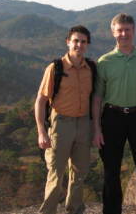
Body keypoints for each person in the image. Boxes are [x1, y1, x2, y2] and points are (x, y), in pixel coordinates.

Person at [92, 13, 136, 214]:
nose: (124, 34)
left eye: (127, 30)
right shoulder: (104, 62)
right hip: (112, 118)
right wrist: (96, 128)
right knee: (111, 171)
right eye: (120, 30)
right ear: (113, 32)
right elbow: (97, 98)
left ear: (134, 31)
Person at [34, 25, 94, 214]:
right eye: (75, 41)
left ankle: (75, 209)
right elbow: (41, 101)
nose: (79, 45)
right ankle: (48, 211)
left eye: (83, 41)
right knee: (56, 172)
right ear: (68, 42)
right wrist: (41, 131)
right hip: (61, 124)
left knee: (79, 172)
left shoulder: (91, 68)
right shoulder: (56, 68)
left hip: (84, 123)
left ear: (87, 44)